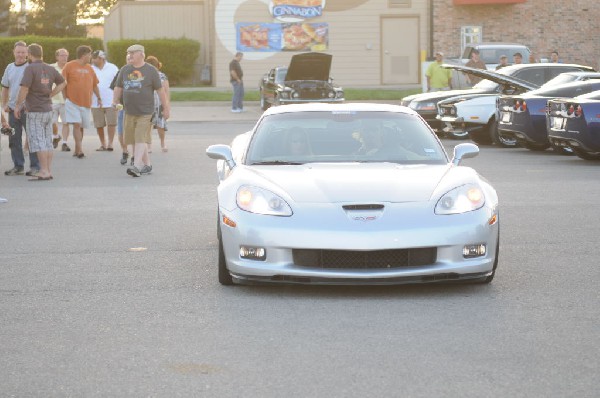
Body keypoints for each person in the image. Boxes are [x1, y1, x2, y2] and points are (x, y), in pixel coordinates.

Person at [112, 44, 170, 177]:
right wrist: (115, 101)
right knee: (133, 139)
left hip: (146, 112)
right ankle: (147, 165)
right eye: (128, 53)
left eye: (133, 53)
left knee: (140, 138)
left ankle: (137, 166)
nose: (130, 55)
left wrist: (166, 108)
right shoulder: (125, 69)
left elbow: (161, 91)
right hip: (129, 111)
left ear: (142, 55)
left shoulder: (151, 70)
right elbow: (118, 87)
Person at [14, 44, 66, 181]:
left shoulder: (30, 68)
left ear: (29, 54)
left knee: (38, 141)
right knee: (47, 141)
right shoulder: (50, 68)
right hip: (48, 109)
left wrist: (18, 105)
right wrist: (51, 94)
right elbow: (63, 83)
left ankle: (43, 171)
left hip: (35, 110)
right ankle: (48, 170)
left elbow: (24, 89)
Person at [1, 41, 40, 176]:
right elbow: (5, 88)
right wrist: (4, 105)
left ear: (27, 54)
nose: (20, 55)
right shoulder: (9, 67)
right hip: (12, 110)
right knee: (13, 138)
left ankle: (35, 167)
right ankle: (18, 166)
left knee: (32, 138)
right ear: (14, 52)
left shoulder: (31, 67)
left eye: (23, 52)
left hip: (28, 109)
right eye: (18, 52)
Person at [62, 45, 101, 159]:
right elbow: (63, 83)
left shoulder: (90, 68)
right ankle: (80, 150)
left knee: (81, 126)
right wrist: (66, 98)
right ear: (84, 55)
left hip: (86, 102)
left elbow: (94, 85)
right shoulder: (69, 66)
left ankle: (77, 148)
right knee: (77, 124)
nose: (90, 57)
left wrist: (99, 97)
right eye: (89, 54)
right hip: (72, 101)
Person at [91, 50, 119, 152]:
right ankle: (103, 144)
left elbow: (118, 83)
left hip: (111, 100)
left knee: (112, 123)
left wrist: (118, 99)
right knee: (99, 124)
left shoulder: (113, 67)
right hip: (95, 101)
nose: (93, 60)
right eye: (92, 58)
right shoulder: (90, 68)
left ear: (102, 58)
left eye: (95, 58)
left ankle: (110, 143)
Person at [145, 55, 170, 152]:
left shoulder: (162, 76)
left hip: (160, 104)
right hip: (148, 103)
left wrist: (167, 107)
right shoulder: (144, 75)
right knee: (147, 125)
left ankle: (162, 143)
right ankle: (149, 146)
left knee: (161, 125)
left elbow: (167, 91)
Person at [49, 48, 70, 151]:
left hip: (67, 100)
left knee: (66, 122)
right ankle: (56, 136)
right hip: (53, 100)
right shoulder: (51, 67)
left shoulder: (70, 67)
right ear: (57, 57)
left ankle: (65, 143)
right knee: (52, 122)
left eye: (66, 55)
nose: (64, 57)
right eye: (62, 55)